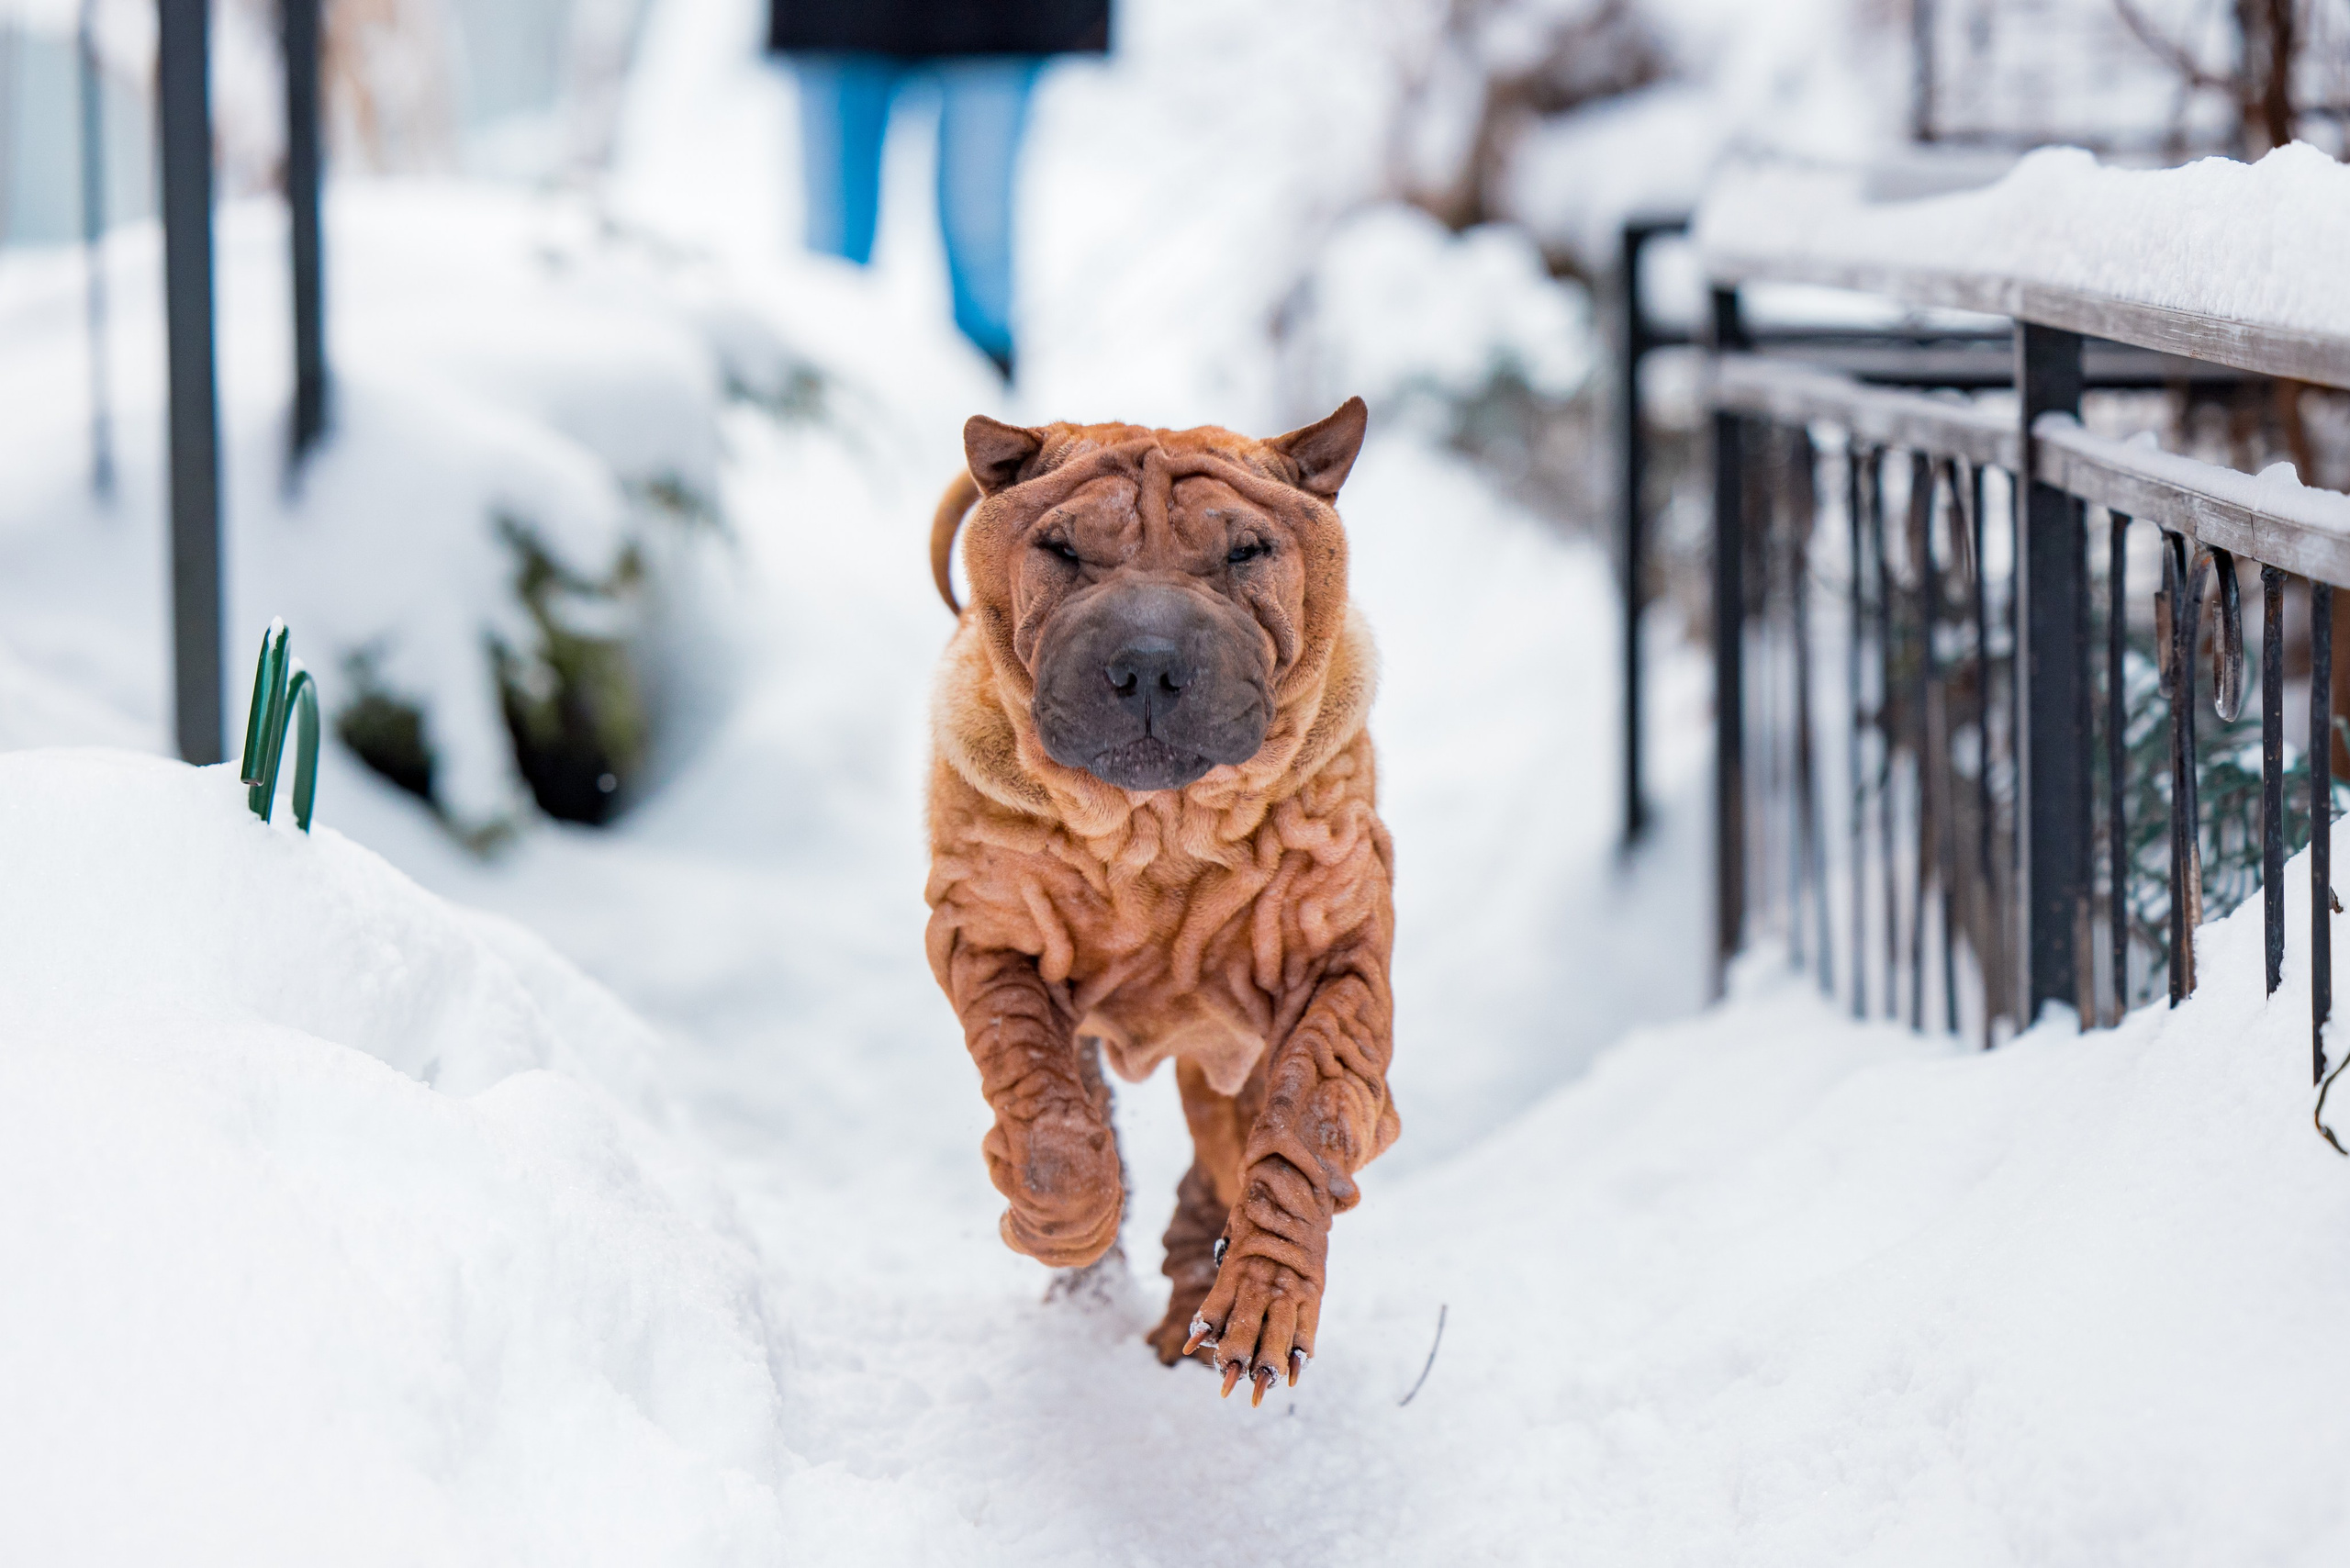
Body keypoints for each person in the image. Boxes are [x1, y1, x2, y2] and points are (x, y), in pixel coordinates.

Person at [769, 2, 1111, 380]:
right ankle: (823, 408)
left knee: (980, 243)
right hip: (841, 21)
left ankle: (985, 423)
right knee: (833, 266)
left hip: (998, 23)